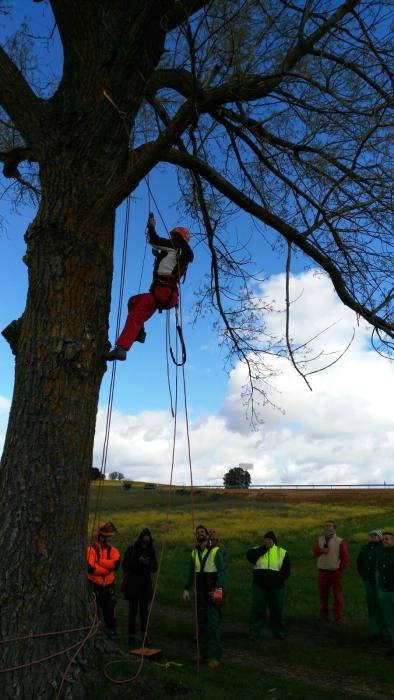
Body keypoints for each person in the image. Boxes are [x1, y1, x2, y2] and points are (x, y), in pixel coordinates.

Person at [104, 214, 194, 361]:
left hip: (163, 291)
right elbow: (169, 262)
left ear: (177, 236)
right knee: (133, 301)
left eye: (172, 235)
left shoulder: (175, 245)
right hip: (166, 293)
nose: (170, 238)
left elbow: (154, 240)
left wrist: (151, 226)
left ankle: (121, 349)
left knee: (135, 316)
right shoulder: (180, 252)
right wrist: (159, 254)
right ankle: (139, 333)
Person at [183, 525, 226, 668]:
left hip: (213, 591)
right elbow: (190, 571)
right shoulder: (194, 552)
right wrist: (186, 588)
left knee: (213, 624)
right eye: (198, 533)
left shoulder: (215, 551)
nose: (200, 534)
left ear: (208, 536)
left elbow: (221, 571)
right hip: (200, 592)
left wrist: (219, 590)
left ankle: (215, 656)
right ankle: (203, 652)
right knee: (201, 624)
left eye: (202, 532)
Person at [246, 530, 290, 640]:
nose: (268, 541)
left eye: (270, 539)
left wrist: (280, 579)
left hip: (277, 587)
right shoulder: (257, 550)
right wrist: (263, 549)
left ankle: (279, 632)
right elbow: (250, 557)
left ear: (274, 541)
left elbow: (286, 570)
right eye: (266, 539)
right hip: (259, 586)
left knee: (277, 611)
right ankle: (253, 632)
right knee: (257, 610)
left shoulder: (282, 552)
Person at [122, 528, 158, 645]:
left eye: (147, 541)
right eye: (143, 541)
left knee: (144, 612)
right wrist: (138, 561)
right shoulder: (132, 549)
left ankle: (145, 636)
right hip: (133, 584)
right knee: (132, 611)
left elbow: (154, 568)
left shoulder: (151, 550)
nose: (145, 543)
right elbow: (125, 566)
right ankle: (131, 636)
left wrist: (147, 563)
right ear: (139, 540)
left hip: (145, 585)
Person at [87, 522, 120, 635]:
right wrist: (107, 568)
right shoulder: (90, 550)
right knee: (94, 613)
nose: (109, 539)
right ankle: (95, 633)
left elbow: (115, 565)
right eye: (108, 536)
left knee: (110, 612)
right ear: (101, 537)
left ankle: (112, 632)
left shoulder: (114, 551)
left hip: (109, 586)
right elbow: (91, 568)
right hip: (94, 585)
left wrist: (99, 562)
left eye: (110, 536)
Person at [313, 519, 349, 622]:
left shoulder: (340, 541)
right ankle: (323, 616)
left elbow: (345, 557)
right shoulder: (320, 539)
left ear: (334, 528)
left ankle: (338, 618)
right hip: (322, 572)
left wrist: (340, 569)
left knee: (337, 596)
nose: (328, 527)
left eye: (330, 525)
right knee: (323, 596)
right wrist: (321, 551)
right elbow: (315, 553)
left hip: (335, 573)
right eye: (326, 525)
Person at [357, 529, 385, 639]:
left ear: (380, 537)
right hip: (368, 581)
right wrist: (363, 575)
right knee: (371, 605)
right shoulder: (364, 548)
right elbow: (359, 563)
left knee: (381, 606)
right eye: (371, 535)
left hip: (380, 582)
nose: (373, 537)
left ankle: (383, 630)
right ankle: (374, 630)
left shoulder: (383, 549)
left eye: (376, 535)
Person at [376, 531, 394, 656]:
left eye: (388, 539)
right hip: (384, 591)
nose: (385, 541)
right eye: (384, 539)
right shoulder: (381, 553)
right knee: (389, 620)